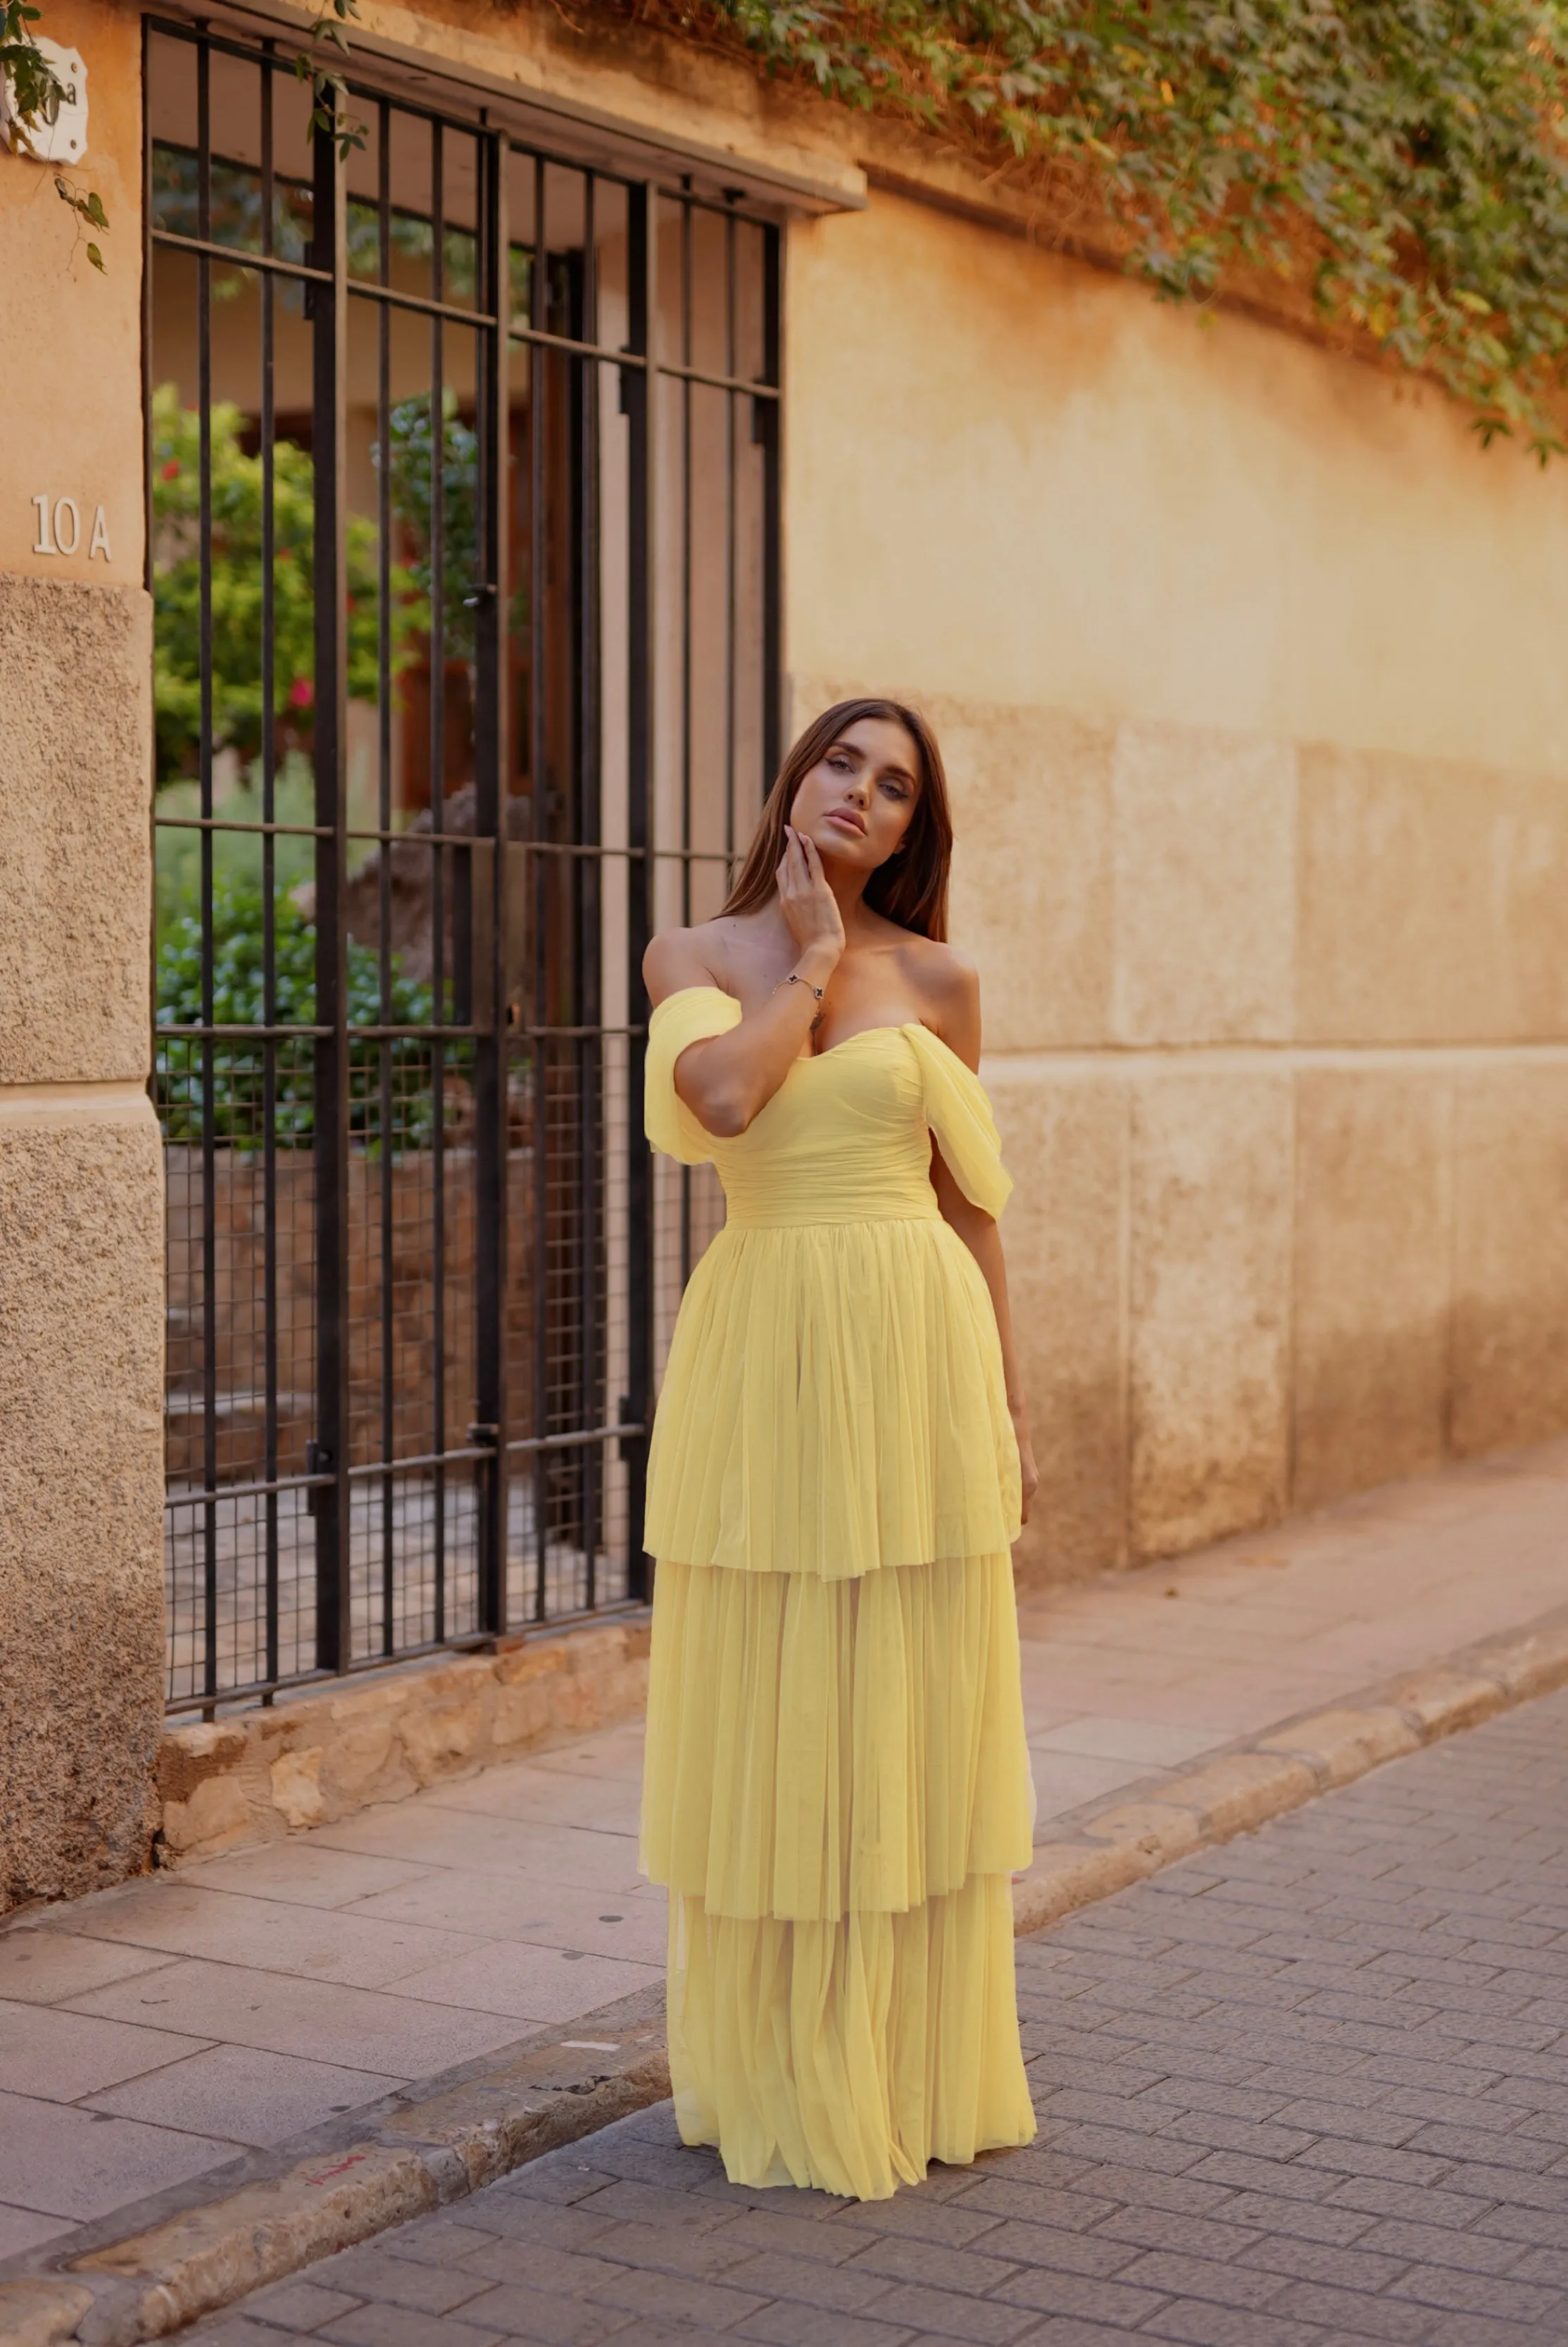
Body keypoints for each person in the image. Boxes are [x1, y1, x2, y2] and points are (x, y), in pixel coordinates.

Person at [636, 696, 1040, 2202]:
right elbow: (729, 1096)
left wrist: (1008, 1410)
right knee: (782, 1699)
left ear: (913, 827)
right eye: (841, 764)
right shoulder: (695, 957)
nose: (861, 794)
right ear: (793, 778)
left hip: (917, 1360)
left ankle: (906, 2062)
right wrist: (808, 964)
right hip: (772, 1351)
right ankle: (788, 2063)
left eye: (894, 786)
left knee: (906, 1710)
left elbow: (973, 1207)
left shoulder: (941, 978)